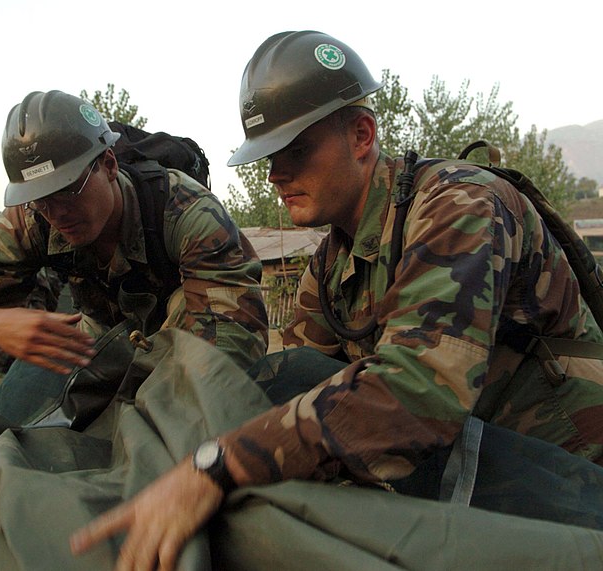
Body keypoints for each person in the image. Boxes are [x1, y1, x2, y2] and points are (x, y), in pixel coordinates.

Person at [70, 30, 603, 569]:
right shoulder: (329, 266)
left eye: (295, 150)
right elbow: (297, 385)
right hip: (473, 464)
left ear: (362, 135)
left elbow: (419, 391)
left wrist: (218, 463)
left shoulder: (458, 203)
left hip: (569, 464)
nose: (276, 174)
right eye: (268, 156)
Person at [0, 90, 269, 395]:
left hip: (183, 347)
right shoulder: (31, 219)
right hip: (97, 347)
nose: (56, 214)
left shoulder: (188, 212)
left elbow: (232, 349)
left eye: (67, 190)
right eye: (40, 199)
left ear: (108, 164)